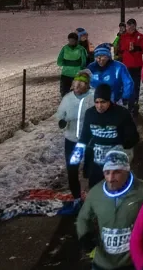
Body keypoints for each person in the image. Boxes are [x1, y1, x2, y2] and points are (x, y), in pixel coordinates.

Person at [74, 149, 143, 270]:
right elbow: (83, 217)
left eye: (117, 172)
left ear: (127, 171)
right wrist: (84, 236)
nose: (110, 178)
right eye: (107, 172)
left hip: (133, 262)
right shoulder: (96, 193)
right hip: (102, 263)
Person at [77, 84, 139, 188]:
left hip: (116, 162)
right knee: (95, 188)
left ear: (109, 100)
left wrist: (121, 147)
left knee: (117, 187)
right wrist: (77, 154)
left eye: (103, 102)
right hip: (97, 160)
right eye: (96, 102)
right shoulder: (90, 114)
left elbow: (134, 137)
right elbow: (85, 136)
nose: (99, 106)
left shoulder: (121, 114)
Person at [55, 69, 94, 199]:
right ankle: (76, 197)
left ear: (88, 85)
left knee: (90, 170)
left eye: (81, 83)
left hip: (89, 141)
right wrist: (62, 120)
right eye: (76, 83)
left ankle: (92, 194)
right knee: (72, 169)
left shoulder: (93, 97)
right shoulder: (68, 98)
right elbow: (60, 114)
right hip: (72, 140)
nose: (77, 86)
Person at [117, 18, 143, 114]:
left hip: (136, 66)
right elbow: (120, 49)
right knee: (125, 84)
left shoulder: (140, 36)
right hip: (126, 66)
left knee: (135, 86)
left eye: (132, 26)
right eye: (128, 26)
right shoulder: (123, 37)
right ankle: (126, 101)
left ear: (135, 26)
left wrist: (137, 48)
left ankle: (134, 104)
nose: (130, 28)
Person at [57, 31, 89, 97]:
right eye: (70, 40)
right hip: (71, 74)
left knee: (66, 92)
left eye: (72, 40)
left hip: (71, 74)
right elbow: (83, 62)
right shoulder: (80, 49)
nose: (71, 42)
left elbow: (59, 62)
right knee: (73, 91)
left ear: (76, 40)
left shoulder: (67, 48)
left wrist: (66, 63)